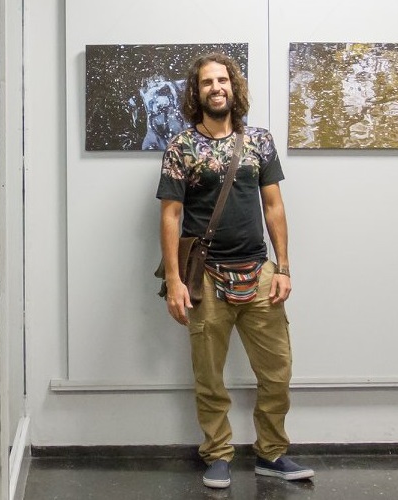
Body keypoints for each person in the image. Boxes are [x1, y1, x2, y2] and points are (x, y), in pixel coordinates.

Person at [156, 52, 313, 489]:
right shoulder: (181, 147)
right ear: (197, 92)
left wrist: (283, 267)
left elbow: (274, 206)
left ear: (234, 87)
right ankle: (218, 454)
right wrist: (173, 280)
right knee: (209, 376)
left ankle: (272, 453)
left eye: (222, 80)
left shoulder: (259, 141)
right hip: (205, 279)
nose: (216, 87)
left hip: (260, 274)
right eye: (207, 82)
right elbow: (171, 215)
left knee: (277, 372)